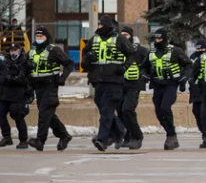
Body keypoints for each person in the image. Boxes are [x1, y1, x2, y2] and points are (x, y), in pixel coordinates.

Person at [81, 15, 135, 152]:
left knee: (106, 111)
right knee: (102, 108)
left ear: (108, 26)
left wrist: (124, 67)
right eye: (98, 25)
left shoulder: (119, 39)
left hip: (114, 81)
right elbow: (85, 56)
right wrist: (88, 58)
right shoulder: (94, 39)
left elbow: (131, 54)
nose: (99, 27)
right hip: (97, 81)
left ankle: (102, 140)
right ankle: (119, 129)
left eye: (101, 25)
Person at [141, 27, 192, 150]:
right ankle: (171, 132)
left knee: (165, 107)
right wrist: (144, 75)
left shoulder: (175, 51)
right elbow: (144, 67)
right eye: (156, 38)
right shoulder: (151, 53)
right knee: (159, 111)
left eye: (160, 38)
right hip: (157, 84)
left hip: (171, 84)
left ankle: (171, 136)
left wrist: (184, 78)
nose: (158, 40)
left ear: (164, 39)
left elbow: (188, 64)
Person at [26, 26, 74, 152]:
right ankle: (64, 135)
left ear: (46, 37)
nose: (39, 39)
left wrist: (62, 78)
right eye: (37, 36)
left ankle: (40, 140)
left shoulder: (54, 50)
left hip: (50, 86)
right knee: (48, 114)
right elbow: (25, 66)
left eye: (41, 36)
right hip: (38, 87)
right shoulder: (32, 51)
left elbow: (69, 63)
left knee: (44, 112)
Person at [0, 43, 31, 149]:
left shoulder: (24, 63)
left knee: (18, 116)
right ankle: (7, 137)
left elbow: (27, 79)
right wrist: (6, 78)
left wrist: (16, 79)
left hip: (18, 95)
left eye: (15, 49)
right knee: (0, 115)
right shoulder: (4, 62)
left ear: (20, 50)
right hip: (4, 94)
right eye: (11, 50)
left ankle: (23, 140)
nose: (13, 52)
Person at [118, 26, 148, 150]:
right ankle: (128, 136)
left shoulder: (140, 50)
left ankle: (137, 136)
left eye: (126, 35)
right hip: (119, 85)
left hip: (134, 85)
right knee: (120, 111)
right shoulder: (117, 50)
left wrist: (145, 74)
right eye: (122, 35)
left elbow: (148, 63)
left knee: (127, 109)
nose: (124, 37)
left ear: (131, 36)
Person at [189, 39, 206, 136]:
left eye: (202, 48)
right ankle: (204, 132)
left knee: (204, 113)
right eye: (198, 49)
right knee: (196, 112)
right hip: (195, 90)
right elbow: (189, 70)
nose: (200, 50)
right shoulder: (193, 57)